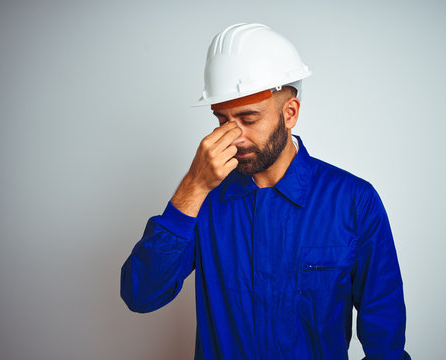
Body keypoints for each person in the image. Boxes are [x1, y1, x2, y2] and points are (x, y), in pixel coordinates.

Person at [121, 23, 410, 359]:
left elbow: (385, 336)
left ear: (290, 114)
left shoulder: (353, 201)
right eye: (222, 120)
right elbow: (140, 294)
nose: (234, 136)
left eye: (248, 118)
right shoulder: (204, 200)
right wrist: (193, 186)